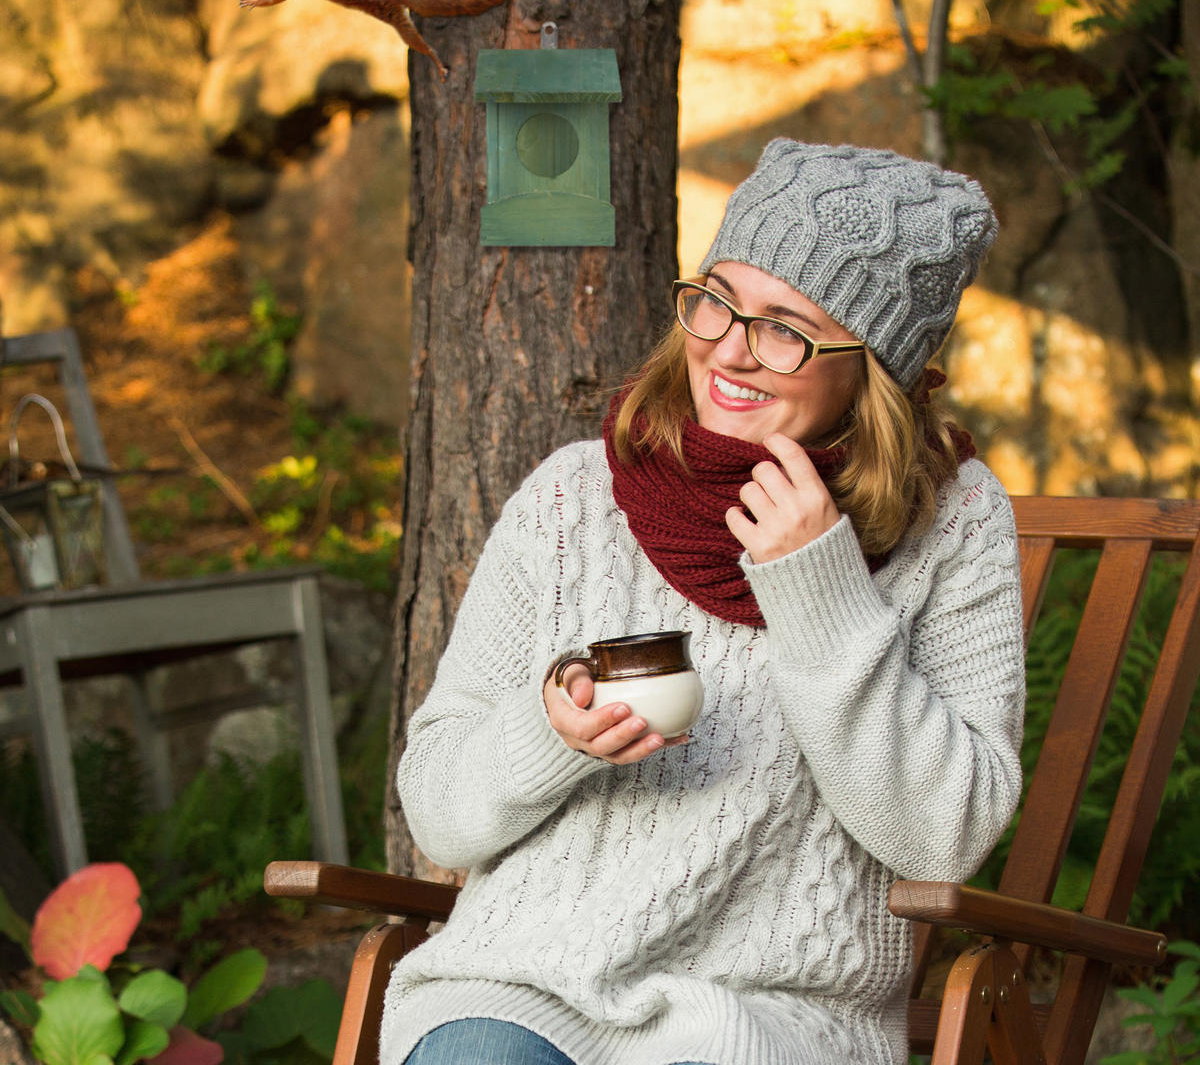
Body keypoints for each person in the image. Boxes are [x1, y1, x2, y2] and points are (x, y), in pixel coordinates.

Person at [381, 140, 1027, 1065]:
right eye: (716, 300)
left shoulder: (953, 520)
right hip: (525, 982)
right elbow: (438, 813)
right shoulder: (577, 496)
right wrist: (550, 739)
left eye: (783, 328)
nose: (728, 349)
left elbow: (940, 839)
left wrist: (822, 591)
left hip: (773, 1014)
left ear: (872, 366)